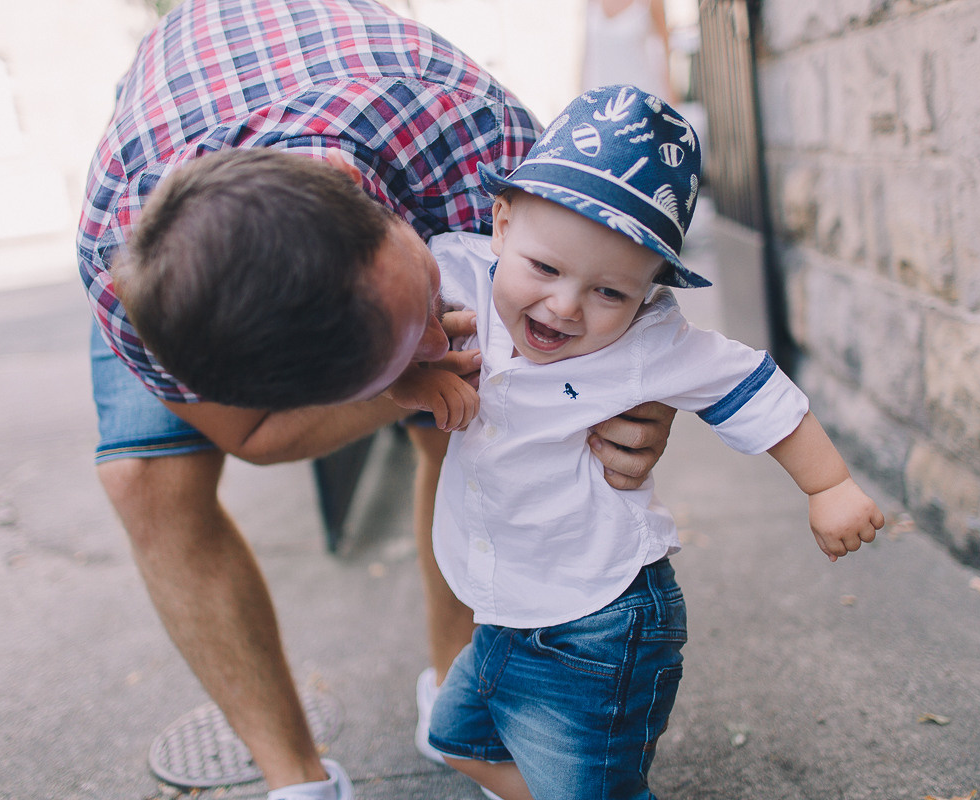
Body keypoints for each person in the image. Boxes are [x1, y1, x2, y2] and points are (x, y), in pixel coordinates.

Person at [77, 3, 677, 798]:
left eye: (428, 292)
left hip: (376, 115)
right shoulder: (126, 272)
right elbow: (253, 433)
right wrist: (402, 387)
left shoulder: (476, 136)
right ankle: (296, 779)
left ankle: (456, 689)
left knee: (464, 412)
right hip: (176, 187)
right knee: (146, 480)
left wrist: (643, 391)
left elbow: (617, 269)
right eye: (399, 356)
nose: (443, 334)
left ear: (363, 200)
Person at [397, 85, 885, 800]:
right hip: (504, 608)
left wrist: (829, 485)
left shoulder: (649, 343)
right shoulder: (458, 281)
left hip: (599, 624)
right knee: (459, 742)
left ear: (650, 291)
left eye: (609, 293)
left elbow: (747, 381)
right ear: (500, 225)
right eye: (546, 269)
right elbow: (365, 298)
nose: (564, 306)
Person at [581, 0, 672, 99]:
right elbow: (588, 52)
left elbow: (664, 47)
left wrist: (670, 91)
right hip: (600, 97)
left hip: (641, 98)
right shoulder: (591, 3)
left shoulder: (651, 3)